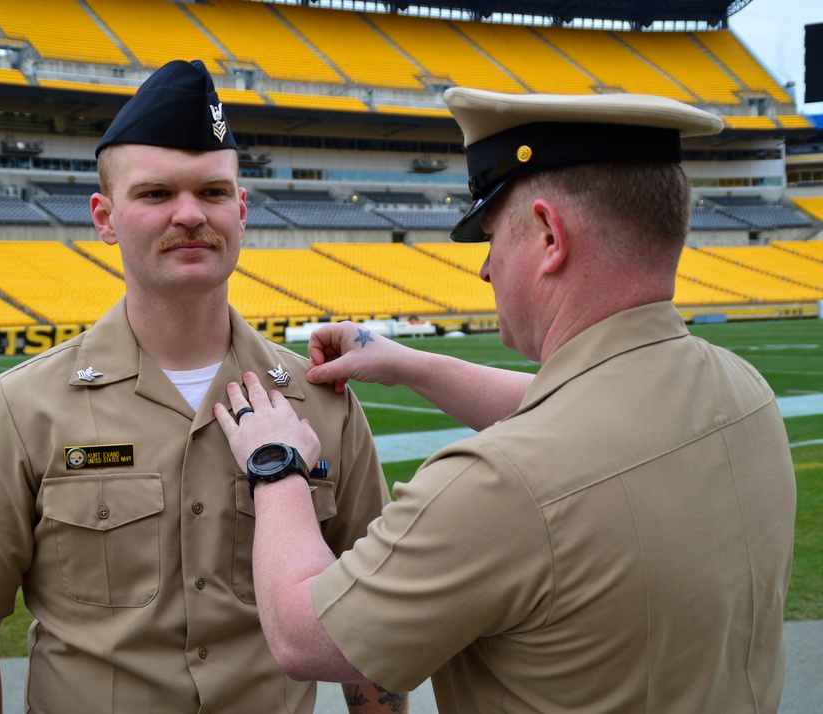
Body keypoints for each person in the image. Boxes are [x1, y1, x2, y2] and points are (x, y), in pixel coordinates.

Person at [212, 88, 798, 713]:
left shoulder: (501, 488)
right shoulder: (744, 391)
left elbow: (302, 635)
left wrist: (276, 465)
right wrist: (409, 364)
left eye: (490, 235)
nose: (486, 270)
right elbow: (585, 415)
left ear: (549, 235)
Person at [0, 59, 404, 714]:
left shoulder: (320, 399)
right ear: (104, 218)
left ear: (243, 211)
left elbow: (364, 614)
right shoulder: (20, 409)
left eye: (214, 193)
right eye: (157, 194)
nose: (190, 214)